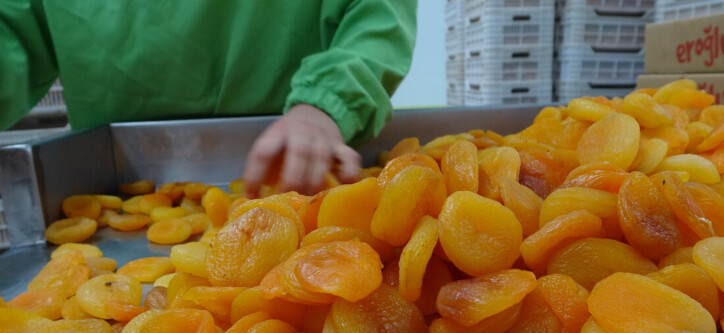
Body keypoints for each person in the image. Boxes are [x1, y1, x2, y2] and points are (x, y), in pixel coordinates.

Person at [0, 0, 418, 196]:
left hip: (304, 178)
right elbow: (11, 29)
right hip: (112, 182)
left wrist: (326, 102)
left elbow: (378, 13)